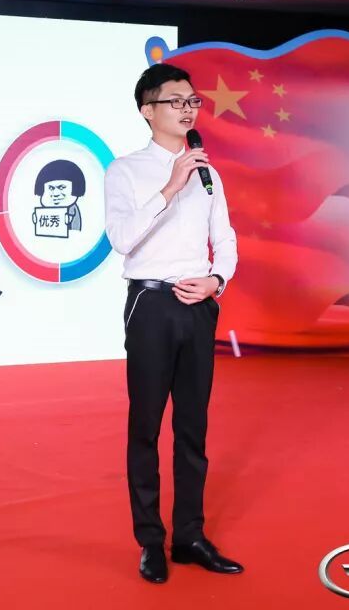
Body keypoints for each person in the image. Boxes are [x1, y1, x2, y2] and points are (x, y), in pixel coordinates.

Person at [104, 63, 241, 584]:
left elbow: (224, 238)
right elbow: (122, 239)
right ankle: (150, 541)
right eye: (176, 101)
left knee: (193, 427)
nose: (188, 109)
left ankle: (189, 535)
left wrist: (216, 280)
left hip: (198, 304)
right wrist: (170, 186)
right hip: (151, 304)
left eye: (193, 101)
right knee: (146, 426)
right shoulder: (125, 171)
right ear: (148, 110)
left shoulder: (209, 172)